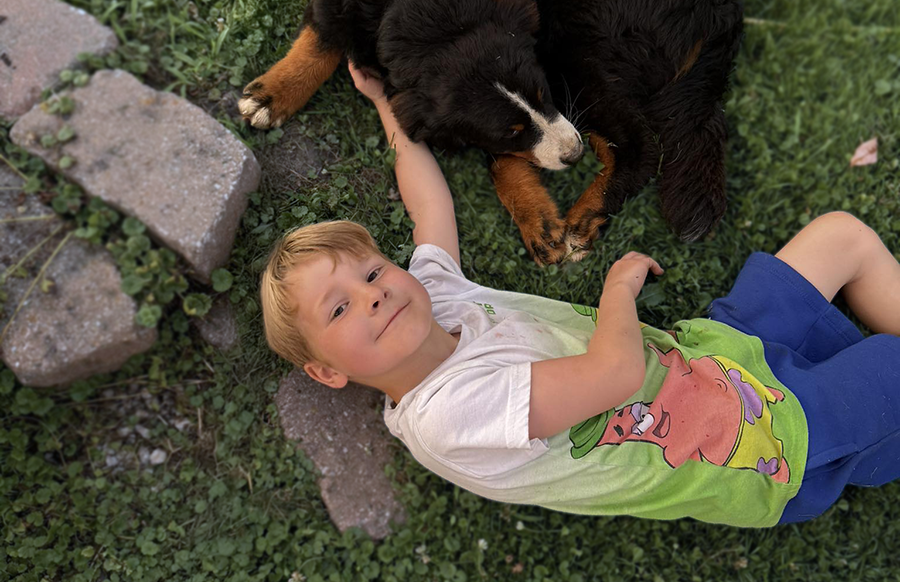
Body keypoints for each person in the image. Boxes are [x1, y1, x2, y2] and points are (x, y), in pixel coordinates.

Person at [260, 62, 900, 527]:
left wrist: (387, 105)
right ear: (326, 371)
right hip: (758, 447)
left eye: (371, 273)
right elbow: (617, 373)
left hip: (714, 358)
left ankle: (864, 415)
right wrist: (618, 287)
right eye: (339, 308)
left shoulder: (435, 299)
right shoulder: (448, 413)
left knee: (838, 237)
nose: (372, 296)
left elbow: (428, 204)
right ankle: (859, 441)